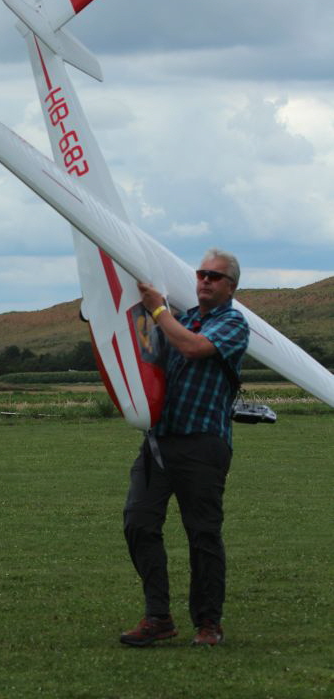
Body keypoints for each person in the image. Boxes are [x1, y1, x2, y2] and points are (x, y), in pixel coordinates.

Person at [121, 248, 249, 647]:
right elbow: (147, 341)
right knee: (139, 522)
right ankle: (158, 617)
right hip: (159, 441)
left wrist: (159, 311)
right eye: (201, 274)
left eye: (214, 276)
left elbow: (192, 347)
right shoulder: (185, 315)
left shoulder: (233, 322)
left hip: (203, 444)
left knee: (203, 534)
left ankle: (209, 624)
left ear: (231, 286)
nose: (205, 281)